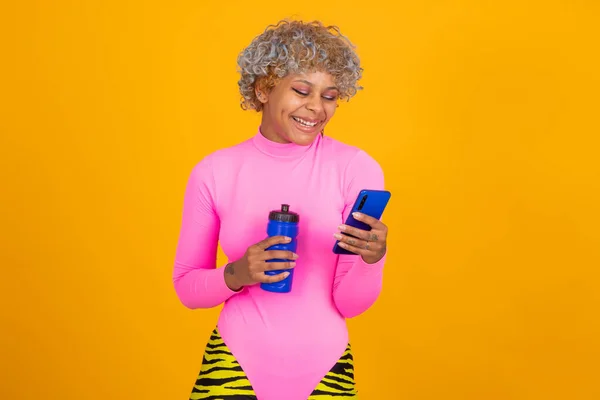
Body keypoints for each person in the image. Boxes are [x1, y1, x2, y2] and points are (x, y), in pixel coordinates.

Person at [173, 19, 390, 400]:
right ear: (263, 89)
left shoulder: (357, 168)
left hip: (325, 370)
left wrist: (372, 259)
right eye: (302, 90)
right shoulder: (215, 171)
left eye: (330, 95)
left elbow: (350, 305)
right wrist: (238, 272)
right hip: (234, 365)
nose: (316, 108)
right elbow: (187, 288)